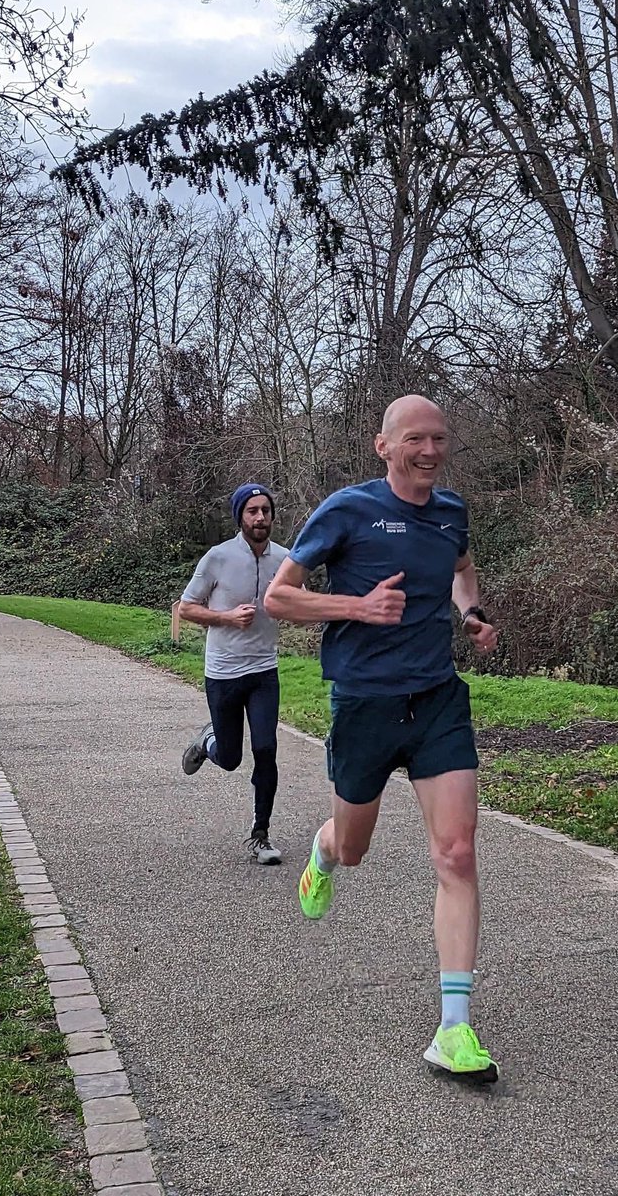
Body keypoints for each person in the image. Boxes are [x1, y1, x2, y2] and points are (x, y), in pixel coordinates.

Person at [264, 394, 500, 1076]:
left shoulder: (451, 513)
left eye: (439, 439)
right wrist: (356, 608)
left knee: (456, 854)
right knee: (355, 847)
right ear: (384, 446)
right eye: (415, 440)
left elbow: (460, 568)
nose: (430, 451)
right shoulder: (347, 510)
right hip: (365, 705)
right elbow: (281, 597)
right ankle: (324, 849)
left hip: (437, 702)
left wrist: (473, 612)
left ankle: (454, 1028)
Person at [179, 484, 289, 864]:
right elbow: (186, 608)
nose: (260, 518)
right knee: (230, 759)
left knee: (266, 749)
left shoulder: (286, 559)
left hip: (263, 670)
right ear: (240, 517)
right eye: (252, 511)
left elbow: (300, 600)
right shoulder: (218, 557)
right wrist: (225, 617)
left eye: (265, 511)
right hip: (223, 672)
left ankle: (261, 835)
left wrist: (293, 604)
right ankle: (208, 741)